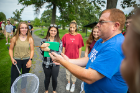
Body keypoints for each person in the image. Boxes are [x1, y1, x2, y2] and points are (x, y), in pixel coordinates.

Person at [49, 8, 128, 93]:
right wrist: (69, 60)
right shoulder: (101, 40)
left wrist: (63, 62)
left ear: (115, 26)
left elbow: (90, 77)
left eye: (102, 22)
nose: (97, 24)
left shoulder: (115, 47)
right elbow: (90, 58)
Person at [9, 22, 34, 90]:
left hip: (27, 60)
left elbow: (32, 50)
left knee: (24, 78)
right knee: (14, 78)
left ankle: (23, 90)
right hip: (16, 61)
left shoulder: (30, 38)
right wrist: (12, 58)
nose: (24, 29)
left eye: (26, 28)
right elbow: (11, 49)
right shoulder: (14, 38)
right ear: (19, 29)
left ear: (27, 29)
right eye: (22, 27)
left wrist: (30, 60)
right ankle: (14, 90)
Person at [121, 8, 140, 93]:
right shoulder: (122, 35)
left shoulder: (137, 38)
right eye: (127, 23)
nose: (128, 24)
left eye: (130, 23)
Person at [62, 20, 84, 92]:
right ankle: (68, 83)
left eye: (73, 27)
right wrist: (62, 56)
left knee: (74, 72)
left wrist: (79, 58)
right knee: (68, 72)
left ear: (76, 28)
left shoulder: (79, 36)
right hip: (67, 58)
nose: (72, 29)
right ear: (69, 27)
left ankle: (73, 84)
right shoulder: (65, 35)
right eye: (71, 27)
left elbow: (80, 47)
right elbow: (64, 47)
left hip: (76, 58)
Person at [40, 24, 62, 93]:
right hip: (46, 63)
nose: (53, 32)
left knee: (54, 79)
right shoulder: (43, 40)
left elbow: (59, 52)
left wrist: (49, 50)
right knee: (47, 78)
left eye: (54, 31)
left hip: (55, 63)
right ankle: (46, 90)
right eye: (51, 30)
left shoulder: (59, 41)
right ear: (49, 31)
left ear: (57, 32)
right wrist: (43, 49)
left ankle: (54, 91)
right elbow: (41, 52)